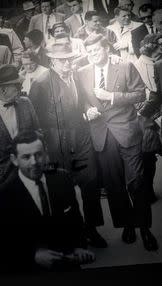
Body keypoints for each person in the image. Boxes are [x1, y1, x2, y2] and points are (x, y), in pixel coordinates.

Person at [77, 34, 158, 251]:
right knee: (114, 186)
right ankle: (127, 225)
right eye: (90, 51)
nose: (93, 55)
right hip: (101, 136)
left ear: (106, 49)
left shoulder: (125, 66)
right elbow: (82, 99)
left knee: (137, 182)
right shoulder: (82, 72)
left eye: (97, 50)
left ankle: (144, 228)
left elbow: (140, 94)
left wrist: (111, 95)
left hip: (127, 132)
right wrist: (87, 110)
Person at [28, 42, 107, 248]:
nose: (67, 63)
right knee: (64, 192)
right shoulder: (41, 82)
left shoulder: (76, 75)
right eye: (62, 60)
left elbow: (84, 100)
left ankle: (92, 229)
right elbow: (33, 118)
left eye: (70, 59)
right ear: (52, 61)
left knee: (91, 184)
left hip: (81, 139)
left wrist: (88, 108)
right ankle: (77, 232)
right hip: (56, 145)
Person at [0, 130, 95, 275]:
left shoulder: (62, 179)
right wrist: (33, 256)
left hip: (64, 266)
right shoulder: (0, 197)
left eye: (38, 154)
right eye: (26, 157)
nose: (34, 162)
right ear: (14, 160)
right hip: (23, 273)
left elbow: (76, 222)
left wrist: (79, 247)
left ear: (46, 154)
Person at [132, 33, 162, 205]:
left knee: (150, 156)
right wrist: (146, 113)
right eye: (159, 48)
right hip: (146, 118)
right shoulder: (139, 65)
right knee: (147, 155)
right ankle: (146, 191)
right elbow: (146, 95)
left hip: (153, 115)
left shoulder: (157, 63)